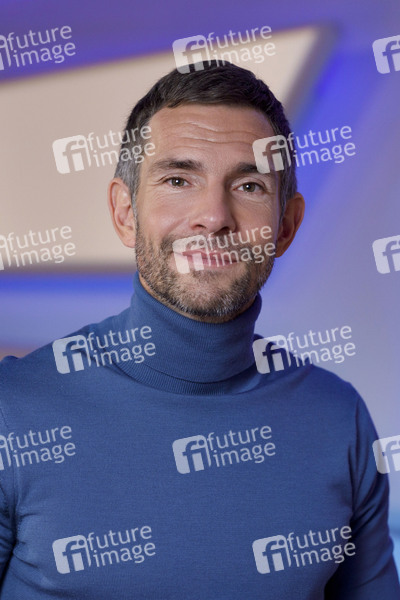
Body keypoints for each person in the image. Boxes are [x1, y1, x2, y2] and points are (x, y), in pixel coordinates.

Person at [0, 60, 398, 599]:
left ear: (285, 226)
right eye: (178, 180)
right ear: (125, 212)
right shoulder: (13, 410)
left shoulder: (339, 419)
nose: (213, 216)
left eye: (249, 185)